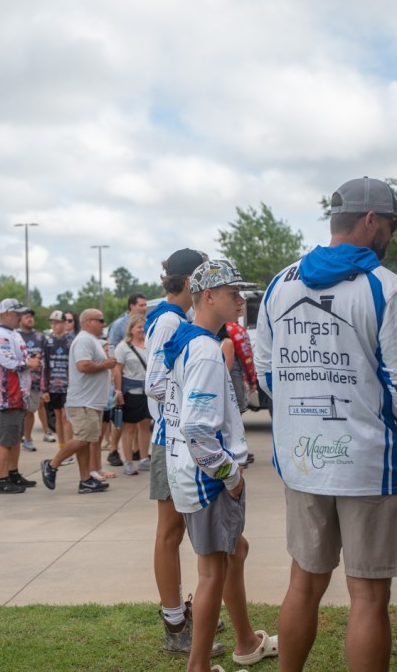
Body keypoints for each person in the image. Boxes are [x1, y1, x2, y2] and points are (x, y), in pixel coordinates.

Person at [254, 176, 397, 671]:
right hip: (369, 465)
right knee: (369, 597)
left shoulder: (280, 284)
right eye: (391, 223)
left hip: (303, 460)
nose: (392, 233)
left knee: (303, 583)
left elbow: (267, 373)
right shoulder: (389, 288)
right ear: (371, 220)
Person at [164, 259, 277, 672]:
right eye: (233, 293)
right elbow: (197, 427)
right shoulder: (207, 351)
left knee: (235, 551)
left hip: (188, 471)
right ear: (208, 296)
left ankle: (246, 642)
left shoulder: (187, 339)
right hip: (208, 478)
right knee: (212, 572)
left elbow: (164, 394)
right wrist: (229, 474)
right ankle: (198, 666)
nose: (241, 300)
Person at [145, 247, 224, 657]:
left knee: (182, 534)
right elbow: (154, 384)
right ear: (194, 282)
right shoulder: (170, 321)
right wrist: (189, 398)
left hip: (175, 438)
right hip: (171, 439)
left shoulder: (173, 317)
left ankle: (187, 615)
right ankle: (175, 624)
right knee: (170, 534)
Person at [41, 308, 116, 494]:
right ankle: (52, 464)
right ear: (88, 321)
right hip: (84, 401)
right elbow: (83, 365)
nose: (104, 324)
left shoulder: (91, 340)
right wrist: (105, 365)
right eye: (101, 320)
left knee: (86, 440)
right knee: (82, 439)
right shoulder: (84, 340)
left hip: (91, 401)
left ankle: (85, 480)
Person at [0, 299, 41, 493]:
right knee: (5, 440)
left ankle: (13, 473)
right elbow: (8, 362)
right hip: (3, 395)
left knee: (15, 438)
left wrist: (30, 361)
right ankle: (2, 480)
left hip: (16, 394)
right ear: (6, 314)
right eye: (17, 314)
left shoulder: (12, 333)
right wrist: (29, 364)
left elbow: (19, 358)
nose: (20, 317)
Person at [112, 313, 151, 476]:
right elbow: (118, 371)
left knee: (145, 425)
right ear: (131, 329)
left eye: (144, 326)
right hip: (131, 391)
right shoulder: (123, 347)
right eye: (138, 327)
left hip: (147, 391)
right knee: (129, 427)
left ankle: (144, 458)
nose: (142, 329)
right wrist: (118, 391)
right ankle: (128, 461)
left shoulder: (150, 344)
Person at [43, 310, 74, 455]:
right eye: (52, 323)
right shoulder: (48, 342)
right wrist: (45, 389)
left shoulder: (71, 341)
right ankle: (62, 448)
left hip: (68, 386)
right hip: (53, 385)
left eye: (57, 323)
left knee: (66, 416)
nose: (54, 325)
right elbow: (45, 366)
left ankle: (68, 449)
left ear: (64, 323)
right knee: (58, 417)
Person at [17, 309, 46, 452]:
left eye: (31, 317)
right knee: (16, 412)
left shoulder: (40, 337)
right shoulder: (14, 336)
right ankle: (16, 439)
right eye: (27, 317)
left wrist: (40, 360)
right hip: (17, 381)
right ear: (20, 319)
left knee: (30, 411)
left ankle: (27, 439)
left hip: (34, 382)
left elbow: (46, 358)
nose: (30, 319)